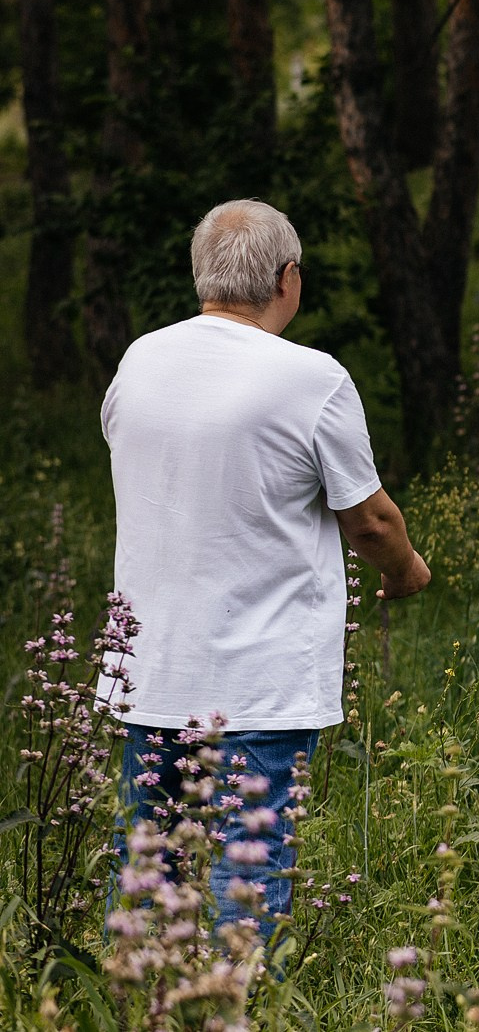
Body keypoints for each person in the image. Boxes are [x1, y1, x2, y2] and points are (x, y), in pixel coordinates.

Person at [99, 199, 431, 939]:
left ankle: (142, 1008)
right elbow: (369, 519)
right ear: (290, 280)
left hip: (149, 668)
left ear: (200, 277)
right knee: (243, 882)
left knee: (147, 881)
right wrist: (406, 570)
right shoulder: (310, 378)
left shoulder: (140, 359)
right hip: (258, 679)